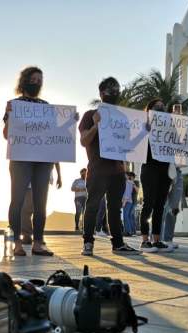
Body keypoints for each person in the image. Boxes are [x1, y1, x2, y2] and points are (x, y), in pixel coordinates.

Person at [4, 67, 66, 256]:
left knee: (41, 202)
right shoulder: (14, 104)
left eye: (40, 79)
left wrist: (69, 122)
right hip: (21, 158)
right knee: (17, 200)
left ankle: (38, 242)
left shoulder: (46, 106)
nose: (37, 82)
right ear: (25, 81)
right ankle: (17, 243)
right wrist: (9, 118)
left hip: (43, 160)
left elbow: (53, 136)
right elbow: (6, 135)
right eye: (34, 79)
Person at [79, 77, 137, 255]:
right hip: (97, 170)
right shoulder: (90, 115)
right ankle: (88, 243)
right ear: (101, 93)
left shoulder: (122, 118)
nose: (115, 92)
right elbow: (84, 140)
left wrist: (144, 131)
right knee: (92, 206)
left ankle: (118, 243)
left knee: (115, 209)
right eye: (111, 89)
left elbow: (129, 145)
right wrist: (96, 125)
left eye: (117, 89)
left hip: (117, 172)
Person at [138, 99, 174, 253]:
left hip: (164, 169)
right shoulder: (143, 124)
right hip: (149, 167)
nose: (161, 107)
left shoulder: (170, 125)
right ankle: (145, 240)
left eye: (162, 105)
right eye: (156, 106)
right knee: (149, 203)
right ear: (149, 109)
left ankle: (157, 239)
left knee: (160, 204)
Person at [20, 163, 62, 245]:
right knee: (26, 209)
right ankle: (27, 235)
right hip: (29, 178)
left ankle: (37, 237)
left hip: (43, 177)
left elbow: (56, 158)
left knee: (39, 209)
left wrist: (59, 177)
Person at [161, 165, 185, 248]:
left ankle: (168, 239)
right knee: (160, 206)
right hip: (162, 168)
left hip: (177, 170)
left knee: (174, 208)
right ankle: (157, 239)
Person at [122, 172, 137, 236]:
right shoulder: (130, 182)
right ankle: (128, 231)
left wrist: (124, 201)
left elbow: (127, 193)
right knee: (127, 216)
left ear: (128, 176)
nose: (124, 176)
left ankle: (128, 231)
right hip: (129, 201)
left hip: (127, 201)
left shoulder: (128, 182)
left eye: (125, 175)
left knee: (126, 216)